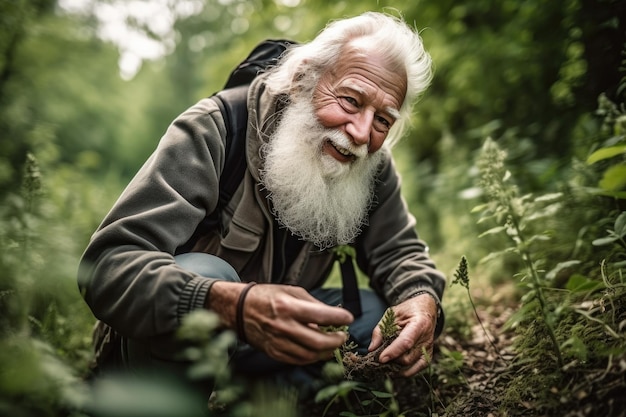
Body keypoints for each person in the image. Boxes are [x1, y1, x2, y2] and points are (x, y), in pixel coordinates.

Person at [78, 11, 446, 396]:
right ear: (304, 80)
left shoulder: (370, 162)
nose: (361, 133)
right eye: (351, 100)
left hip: (269, 346)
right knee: (204, 270)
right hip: (172, 342)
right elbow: (107, 265)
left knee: (374, 316)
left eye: (383, 120)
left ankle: (263, 395)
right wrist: (229, 304)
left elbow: (400, 251)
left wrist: (421, 299)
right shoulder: (215, 128)